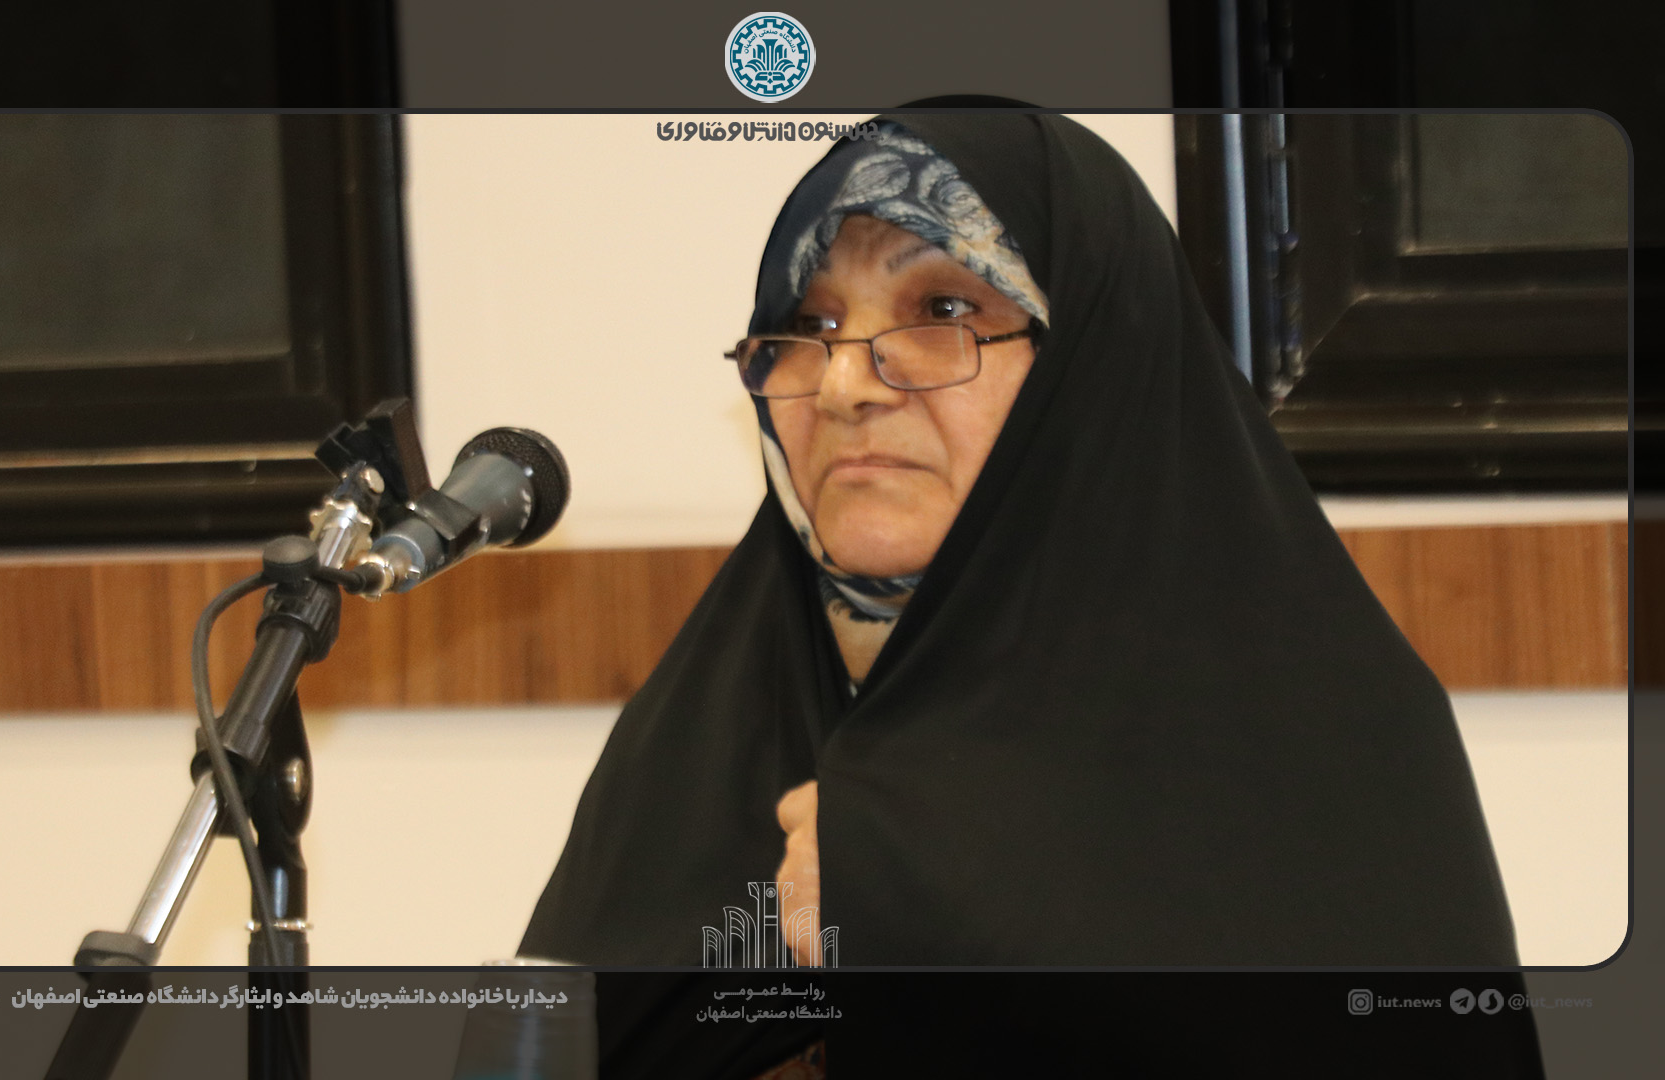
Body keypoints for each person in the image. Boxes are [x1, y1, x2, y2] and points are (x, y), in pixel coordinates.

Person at [518, 110, 1519, 971]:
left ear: (1092, 369)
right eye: (809, 325)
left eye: (945, 308)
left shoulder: (1318, 746)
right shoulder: (705, 738)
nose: (843, 384)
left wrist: (931, 909)